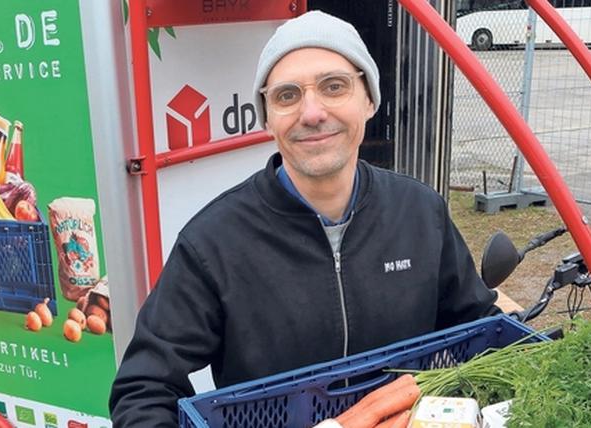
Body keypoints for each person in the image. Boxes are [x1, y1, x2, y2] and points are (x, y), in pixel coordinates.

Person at [109, 10, 500, 426]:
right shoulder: (213, 243)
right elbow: (143, 390)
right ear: (267, 118)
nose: (311, 113)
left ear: (369, 100)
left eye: (335, 87)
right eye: (287, 95)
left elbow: (479, 329)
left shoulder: (421, 213)